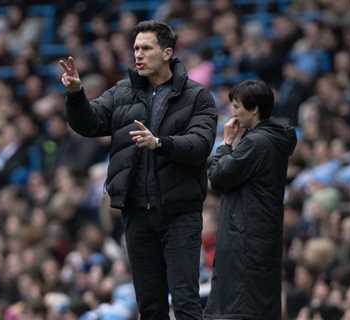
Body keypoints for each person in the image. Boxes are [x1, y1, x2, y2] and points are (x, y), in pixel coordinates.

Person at [59, 20, 217, 320]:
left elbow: (200, 144)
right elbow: (89, 123)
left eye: (146, 48)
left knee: (185, 302)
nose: (138, 55)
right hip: (137, 214)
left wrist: (160, 143)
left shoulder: (197, 97)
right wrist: (77, 94)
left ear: (168, 52)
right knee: (150, 307)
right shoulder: (123, 92)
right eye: (135, 48)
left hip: (179, 214)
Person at [204, 80, 297, 320]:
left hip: (245, 239)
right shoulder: (273, 139)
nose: (232, 112)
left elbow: (218, 177)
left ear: (254, 109)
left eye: (236, 106)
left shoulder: (256, 142)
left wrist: (225, 145)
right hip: (259, 238)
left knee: (239, 310)